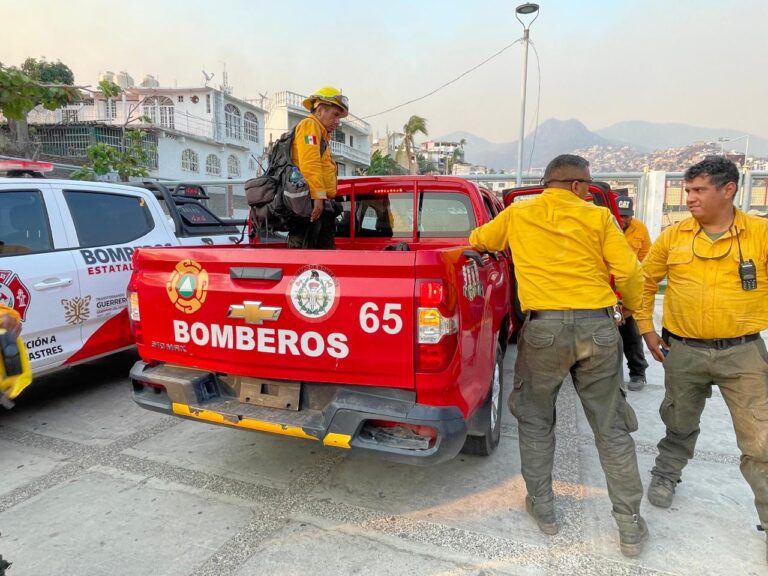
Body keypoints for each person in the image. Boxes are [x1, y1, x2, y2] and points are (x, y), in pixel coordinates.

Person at [469, 154, 648, 557]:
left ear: (547, 184)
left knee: (535, 421)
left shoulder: (518, 214)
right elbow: (631, 273)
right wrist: (629, 309)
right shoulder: (599, 217)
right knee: (611, 429)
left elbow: (479, 240)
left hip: (544, 330)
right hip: (598, 328)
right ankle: (629, 526)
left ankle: (544, 507)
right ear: (579, 185)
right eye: (587, 186)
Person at [635, 156, 768, 564]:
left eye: (698, 190)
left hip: (743, 353)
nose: (690, 198)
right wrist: (646, 330)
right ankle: (666, 473)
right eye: (688, 190)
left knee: (761, 439)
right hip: (684, 351)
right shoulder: (674, 237)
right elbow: (643, 281)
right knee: (678, 419)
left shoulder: (760, 234)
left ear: (728, 190)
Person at [287, 86, 349, 249]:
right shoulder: (310, 125)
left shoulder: (321, 133)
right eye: (335, 115)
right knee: (307, 254)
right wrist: (318, 198)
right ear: (320, 110)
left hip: (316, 203)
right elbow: (310, 163)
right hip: (310, 204)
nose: (338, 121)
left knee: (322, 255)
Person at [616, 195, 651, 391]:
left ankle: (638, 373)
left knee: (631, 334)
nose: (622, 219)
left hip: (629, 290)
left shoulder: (640, 230)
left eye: (626, 216)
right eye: (619, 215)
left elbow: (647, 259)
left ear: (632, 215)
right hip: (608, 290)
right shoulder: (606, 225)